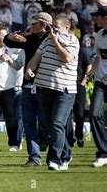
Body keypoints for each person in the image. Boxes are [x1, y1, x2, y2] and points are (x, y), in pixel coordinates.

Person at [25, 15, 79, 171]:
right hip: (45, 87)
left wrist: (55, 41)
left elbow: (67, 58)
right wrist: (30, 68)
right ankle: (66, 154)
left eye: (56, 26)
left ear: (66, 28)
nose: (53, 29)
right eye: (52, 26)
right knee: (48, 126)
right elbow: (36, 57)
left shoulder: (72, 41)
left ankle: (53, 160)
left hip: (65, 90)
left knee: (57, 124)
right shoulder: (47, 40)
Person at [3, 12, 52, 167]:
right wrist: (11, 36)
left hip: (46, 85)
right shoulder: (29, 39)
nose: (31, 26)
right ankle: (34, 157)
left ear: (43, 25)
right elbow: (8, 42)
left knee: (47, 123)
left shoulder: (53, 40)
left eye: (35, 23)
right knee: (29, 122)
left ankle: (57, 155)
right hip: (28, 84)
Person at [0, 26, 25, 151]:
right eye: (4, 35)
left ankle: (14, 143)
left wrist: (9, 59)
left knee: (11, 117)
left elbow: (18, 67)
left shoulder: (10, 49)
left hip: (8, 88)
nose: (6, 38)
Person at [84, 6, 107, 168]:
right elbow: (99, 57)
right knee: (94, 114)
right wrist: (89, 74)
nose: (94, 19)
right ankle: (103, 153)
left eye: (97, 16)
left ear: (105, 18)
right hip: (100, 82)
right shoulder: (98, 35)